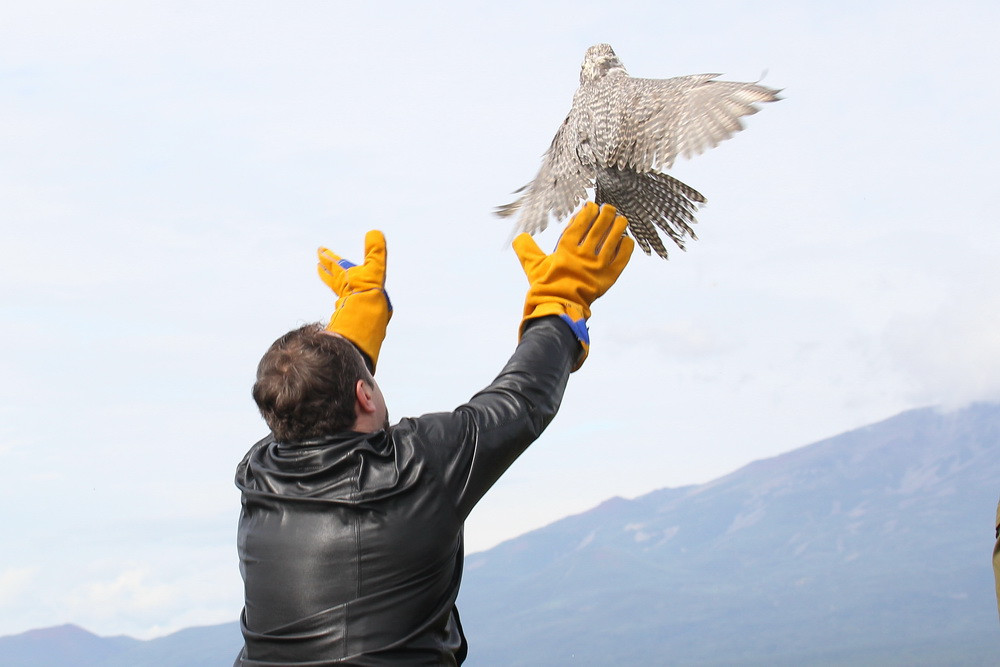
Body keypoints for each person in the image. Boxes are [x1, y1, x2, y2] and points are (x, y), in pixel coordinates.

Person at [234, 203, 634, 665]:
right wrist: (562, 297)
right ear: (364, 396)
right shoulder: (416, 467)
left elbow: (301, 398)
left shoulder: (258, 476)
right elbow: (521, 401)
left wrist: (356, 319)